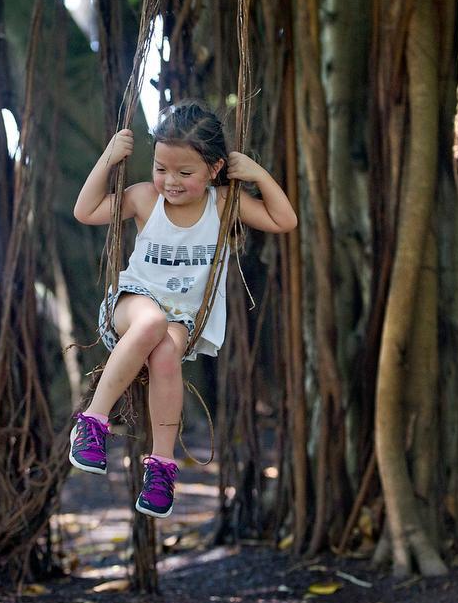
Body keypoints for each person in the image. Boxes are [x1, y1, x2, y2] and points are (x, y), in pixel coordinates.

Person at [70, 101, 297, 518]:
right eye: (161, 168)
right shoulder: (143, 198)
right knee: (151, 322)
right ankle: (92, 422)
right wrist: (108, 157)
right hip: (131, 304)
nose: (169, 181)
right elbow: (84, 211)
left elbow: (283, 220)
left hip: (182, 319)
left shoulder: (224, 203)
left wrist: (257, 175)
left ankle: (160, 466)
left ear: (213, 169)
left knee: (168, 353)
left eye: (184, 173)